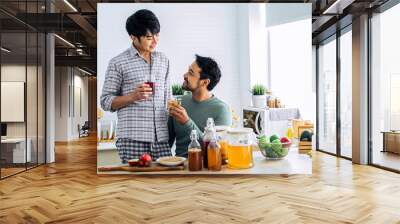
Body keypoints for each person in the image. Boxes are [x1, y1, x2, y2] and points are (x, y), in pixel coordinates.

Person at [100, 9, 172, 163]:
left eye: (157, 35)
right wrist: (133, 96)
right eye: (148, 37)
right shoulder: (118, 63)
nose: (155, 41)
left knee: (166, 184)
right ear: (133, 37)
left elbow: (168, 99)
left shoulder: (163, 60)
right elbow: (105, 101)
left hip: (161, 140)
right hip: (132, 139)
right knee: (134, 185)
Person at [168, 55, 232, 157]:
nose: (185, 75)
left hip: (206, 169)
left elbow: (217, 151)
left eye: (191, 73)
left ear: (205, 82)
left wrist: (187, 122)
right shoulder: (179, 103)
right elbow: (167, 143)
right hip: (179, 167)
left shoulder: (222, 110)